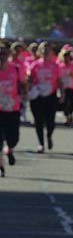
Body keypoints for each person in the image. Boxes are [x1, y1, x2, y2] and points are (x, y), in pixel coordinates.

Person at [27, 42, 60, 153]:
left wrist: (63, 93)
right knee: (38, 121)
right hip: (37, 97)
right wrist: (30, 88)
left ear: (51, 52)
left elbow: (59, 80)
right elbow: (29, 79)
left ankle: (49, 136)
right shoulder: (35, 65)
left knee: (51, 122)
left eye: (48, 50)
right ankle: (41, 144)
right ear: (40, 52)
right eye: (43, 50)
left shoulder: (55, 65)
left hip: (51, 96)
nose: (46, 52)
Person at [0, 42, 24, 173]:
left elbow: (22, 84)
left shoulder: (15, 69)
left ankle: (9, 149)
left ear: (9, 54)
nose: (2, 56)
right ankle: (1, 166)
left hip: (12, 109)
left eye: (4, 53)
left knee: (13, 138)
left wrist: (24, 93)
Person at [58, 48, 73, 127]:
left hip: (72, 87)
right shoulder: (59, 66)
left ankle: (70, 115)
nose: (66, 58)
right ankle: (67, 117)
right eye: (64, 56)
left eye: (67, 56)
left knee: (71, 103)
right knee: (65, 103)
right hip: (63, 88)